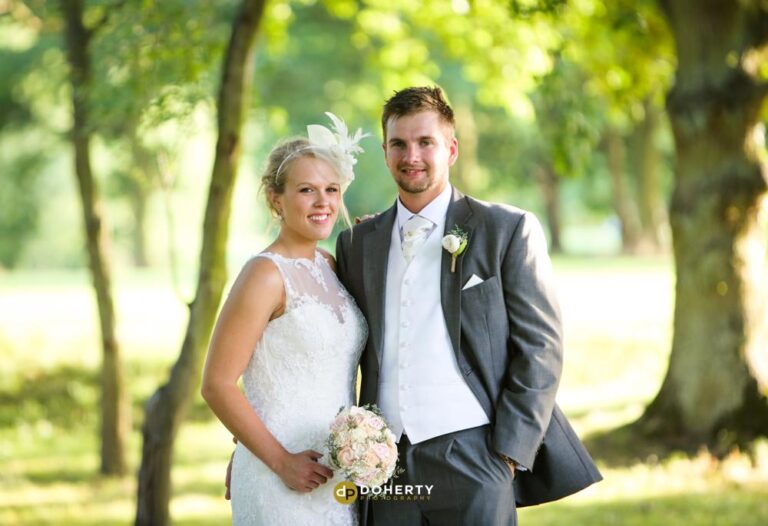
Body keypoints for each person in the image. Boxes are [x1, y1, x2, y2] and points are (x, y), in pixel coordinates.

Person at [335, 86, 602, 525]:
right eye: (399, 144)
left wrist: (509, 453)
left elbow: (541, 348)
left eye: (426, 142)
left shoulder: (507, 229)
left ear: (452, 149)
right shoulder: (357, 243)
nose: (411, 156)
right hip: (386, 465)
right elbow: (336, 349)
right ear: (384, 153)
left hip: (476, 456)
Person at [201, 114, 369, 525]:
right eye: (306, 190)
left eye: (331, 189)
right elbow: (217, 384)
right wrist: (278, 460)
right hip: (281, 474)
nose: (323, 202)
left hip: (335, 473)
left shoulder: (329, 265)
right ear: (276, 200)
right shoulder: (264, 274)